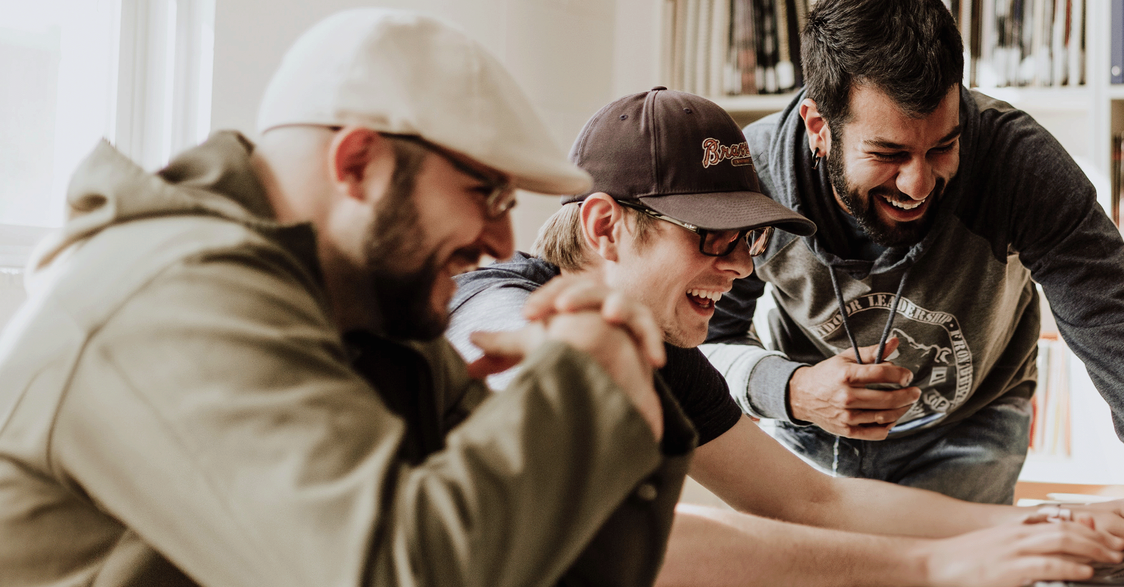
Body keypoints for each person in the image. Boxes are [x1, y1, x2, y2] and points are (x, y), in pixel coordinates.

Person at [0, 10, 685, 587]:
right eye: (487, 193)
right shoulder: (169, 295)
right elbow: (392, 571)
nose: (503, 241)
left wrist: (622, 392)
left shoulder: (374, 318)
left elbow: (552, 566)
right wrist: (581, 382)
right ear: (357, 162)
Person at [448, 87, 1124, 587]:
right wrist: (933, 565)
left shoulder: (664, 351)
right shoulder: (496, 311)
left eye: (748, 239)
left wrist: (1057, 520)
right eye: (713, 238)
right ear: (607, 227)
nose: (742, 266)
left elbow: (812, 501)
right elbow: (630, 536)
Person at [700, 0, 1124, 518]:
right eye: (888, 154)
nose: (918, 184)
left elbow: (1118, 330)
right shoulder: (753, 180)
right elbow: (701, 345)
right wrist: (791, 389)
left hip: (971, 426)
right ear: (819, 127)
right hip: (811, 426)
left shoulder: (1018, 162)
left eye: (943, 146)